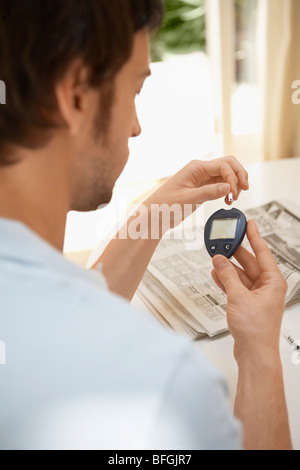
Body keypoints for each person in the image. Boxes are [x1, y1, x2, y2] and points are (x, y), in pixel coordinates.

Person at [0, 0, 291, 450]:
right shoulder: (163, 389)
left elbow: (75, 326)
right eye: (135, 90)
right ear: (76, 95)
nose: (136, 127)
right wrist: (259, 355)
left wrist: (151, 216)